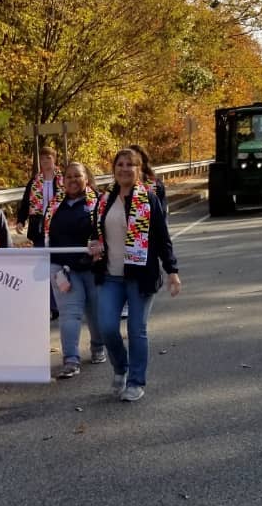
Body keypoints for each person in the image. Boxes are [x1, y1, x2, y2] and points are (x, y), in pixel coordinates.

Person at [88, 148, 181, 402]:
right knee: (107, 328)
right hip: (110, 275)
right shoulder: (104, 200)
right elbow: (96, 233)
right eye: (120, 164)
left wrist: (172, 270)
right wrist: (94, 244)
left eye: (130, 164)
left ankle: (136, 381)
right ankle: (121, 368)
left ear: (138, 169)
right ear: (114, 168)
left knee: (137, 329)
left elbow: (163, 238)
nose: (124, 168)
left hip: (140, 276)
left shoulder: (148, 199)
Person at [45, 161, 105, 377]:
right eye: (68, 176)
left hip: (92, 267)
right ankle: (70, 359)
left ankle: (98, 347)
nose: (72, 180)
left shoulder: (98, 203)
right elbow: (43, 235)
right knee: (70, 314)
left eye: (77, 176)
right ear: (63, 180)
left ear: (86, 179)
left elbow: (108, 232)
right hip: (62, 267)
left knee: (96, 313)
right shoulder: (54, 206)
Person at [16, 146, 64, 319]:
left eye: (48, 158)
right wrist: (21, 220)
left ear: (54, 159)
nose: (46, 162)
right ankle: (49, 306)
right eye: (43, 159)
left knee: (57, 267)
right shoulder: (35, 181)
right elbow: (25, 202)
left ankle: (60, 303)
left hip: (59, 228)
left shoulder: (63, 180)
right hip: (38, 229)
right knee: (43, 268)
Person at [129, 144, 167, 215]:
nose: (126, 168)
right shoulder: (116, 189)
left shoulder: (155, 185)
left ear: (142, 164)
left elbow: (162, 213)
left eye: (132, 164)